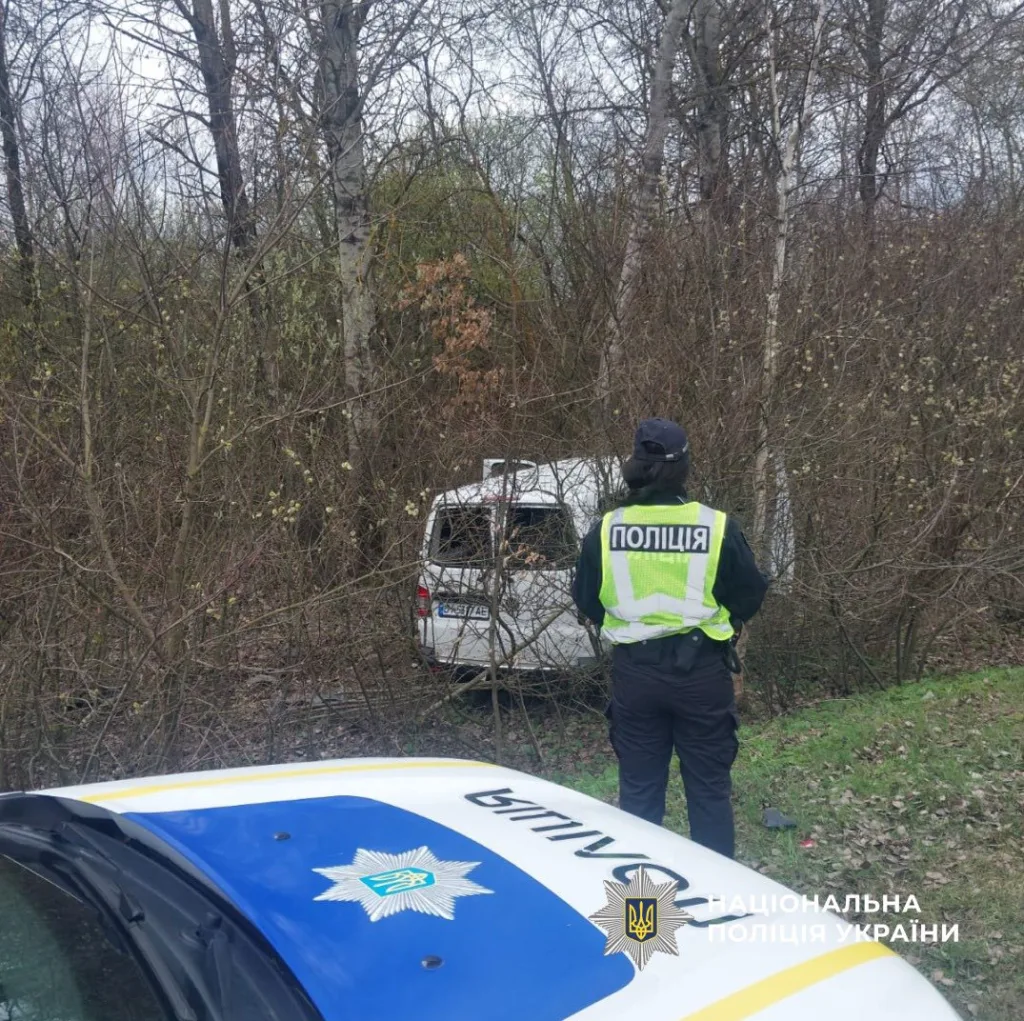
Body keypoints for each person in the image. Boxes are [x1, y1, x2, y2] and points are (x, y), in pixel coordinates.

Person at [572, 418, 769, 858]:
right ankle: (717, 903)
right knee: (709, 793)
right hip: (701, 676)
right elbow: (749, 595)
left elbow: (586, 599)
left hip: (635, 675)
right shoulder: (716, 527)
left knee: (639, 799)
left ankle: (641, 917)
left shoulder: (606, 530)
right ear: (684, 468)